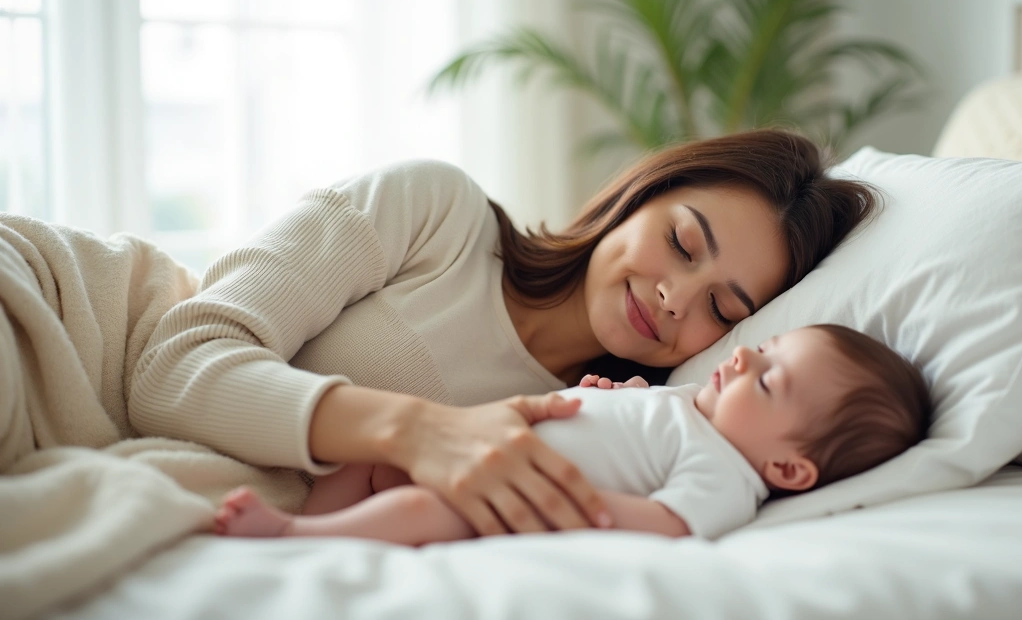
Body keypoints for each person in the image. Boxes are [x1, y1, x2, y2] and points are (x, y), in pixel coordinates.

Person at [128, 129, 879, 537]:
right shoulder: (438, 212)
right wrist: (417, 432)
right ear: (641, 194)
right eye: (682, 243)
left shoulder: (604, 440)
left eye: (723, 309)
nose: (676, 298)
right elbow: (171, 365)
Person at [212, 324, 932, 543]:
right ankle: (319, 519)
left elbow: (667, 523)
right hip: (468, 443)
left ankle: (295, 539)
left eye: (769, 380)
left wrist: (571, 499)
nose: (743, 357)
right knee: (366, 460)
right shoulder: (696, 403)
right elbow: (631, 418)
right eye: (765, 346)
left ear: (790, 469)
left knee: (422, 511)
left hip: (499, 498)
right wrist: (609, 395)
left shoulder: (726, 476)